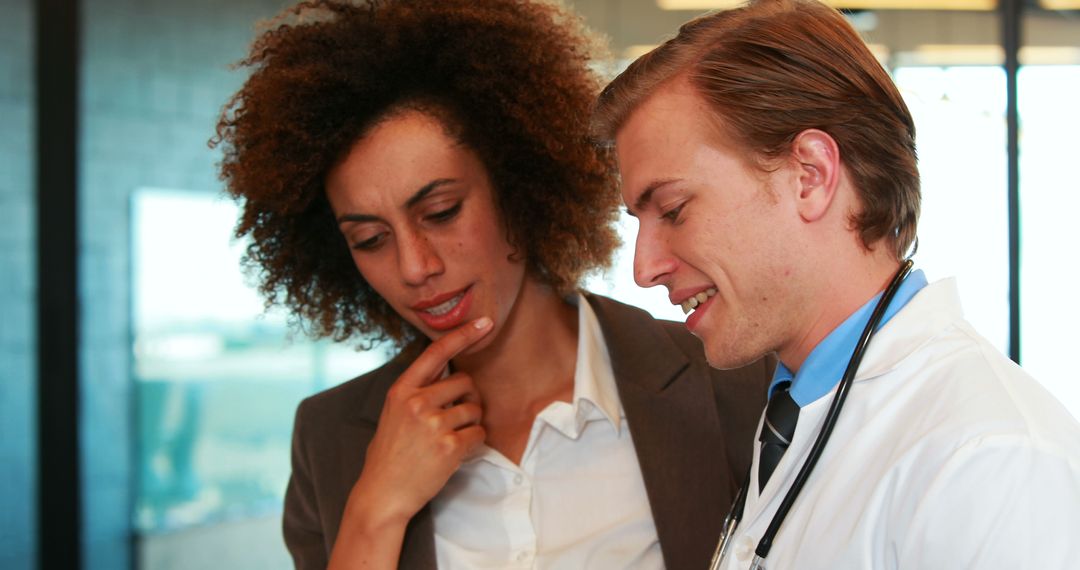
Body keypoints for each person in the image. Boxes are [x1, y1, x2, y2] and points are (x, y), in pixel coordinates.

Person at [213, 0, 772, 568]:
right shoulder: (330, 437)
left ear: (519, 184)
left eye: (442, 211)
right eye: (370, 239)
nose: (414, 266)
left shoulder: (731, 382)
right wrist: (376, 509)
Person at [592, 0, 1080, 568]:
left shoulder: (990, 462)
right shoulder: (792, 414)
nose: (643, 268)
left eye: (673, 210)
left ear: (811, 176)